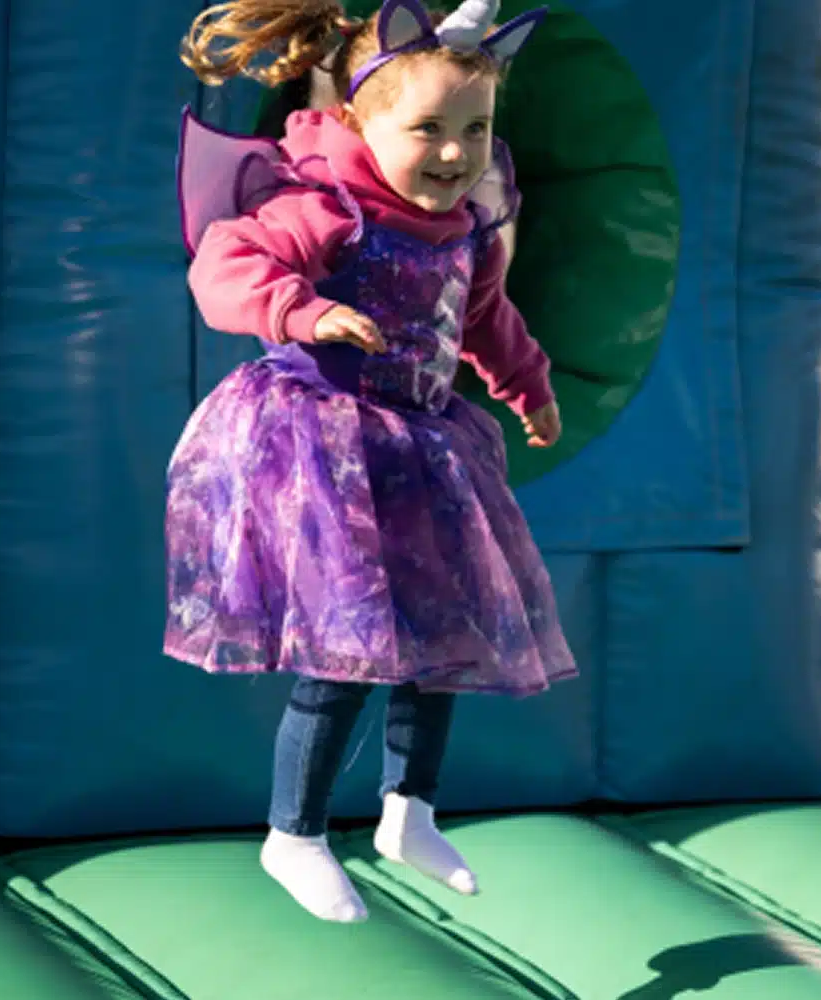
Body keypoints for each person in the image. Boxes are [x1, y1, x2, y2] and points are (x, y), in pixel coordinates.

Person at [167, 0, 577, 924]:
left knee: (441, 642)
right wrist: (303, 312)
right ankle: (295, 832)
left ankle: (409, 810)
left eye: (475, 129)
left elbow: (479, 320)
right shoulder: (324, 205)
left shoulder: (468, 227)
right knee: (345, 655)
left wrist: (529, 385)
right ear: (358, 121)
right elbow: (224, 263)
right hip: (326, 447)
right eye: (426, 128)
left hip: (423, 448)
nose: (453, 152)